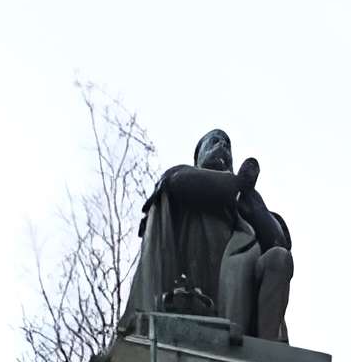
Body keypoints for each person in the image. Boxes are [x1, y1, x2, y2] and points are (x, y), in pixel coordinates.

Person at [125, 128, 293, 344]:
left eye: (227, 145)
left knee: (279, 258)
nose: (222, 147)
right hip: (192, 285)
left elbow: (278, 241)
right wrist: (238, 183)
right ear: (198, 158)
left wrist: (249, 197)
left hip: (242, 286)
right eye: (214, 142)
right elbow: (178, 182)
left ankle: (269, 352)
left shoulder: (246, 199)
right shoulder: (182, 175)